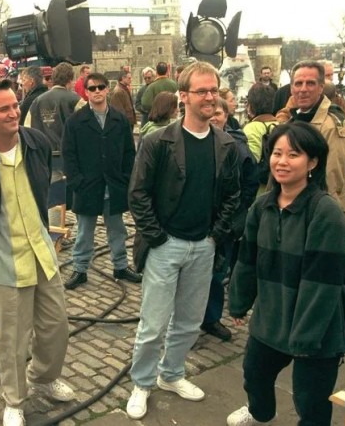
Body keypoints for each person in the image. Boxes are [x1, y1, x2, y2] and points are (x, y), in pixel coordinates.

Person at [0, 78, 74, 426]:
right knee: (13, 340)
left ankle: (44, 378)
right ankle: (14, 400)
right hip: (5, 263)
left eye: (15, 105)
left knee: (56, 326)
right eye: (4, 108)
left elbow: (42, 187)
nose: (13, 113)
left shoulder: (36, 143)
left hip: (42, 254)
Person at [125, 61, 241, 420]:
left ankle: (172, 373)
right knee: (153, 325)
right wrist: (157, 237)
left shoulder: (225, 144)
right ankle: (142, 382)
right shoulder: (157, 141)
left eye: (213, 90)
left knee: (189, 322)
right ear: (184, 96)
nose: (209, 97)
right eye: (201, 91)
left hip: (203, 246)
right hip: (166, 246)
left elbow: (233, 196)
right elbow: (138, 193)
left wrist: (215, 236)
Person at [227, 121, 345, 426]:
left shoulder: (324, 212)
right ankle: (260, 412)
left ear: (313, 162)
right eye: (277, 153)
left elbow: (321, 284)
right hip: (272, 315)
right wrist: (239, 302)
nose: (282, 162)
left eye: (293, 154)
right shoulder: (262, 207)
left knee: (311, 400)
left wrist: (304, 339)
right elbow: (247, 261)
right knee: (255, 373)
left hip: (317, 325)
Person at [62, 72, 142, 290]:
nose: (97, 91)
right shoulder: (75, 122)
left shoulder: (120, 120)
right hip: (87, 186)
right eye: (92, 88)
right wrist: (77, 182)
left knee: (117, 229)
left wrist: (125, 178)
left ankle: (121, 266)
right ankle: (80, 269)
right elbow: (68, 155)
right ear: (86, 92)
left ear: (107, 89)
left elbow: (129, 152)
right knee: (84, 231)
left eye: (100, 87)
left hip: (114, 185)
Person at [201, 97, 258, 342]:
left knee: (217, 273)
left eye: (219, 113)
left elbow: (250, 183)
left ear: (226, 116)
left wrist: (236, 214)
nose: (214, 116)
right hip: (197, 221)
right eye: (210, 112)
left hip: (224, 224)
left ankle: (211, 318)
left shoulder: (238, 147)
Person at [284, 61, 345, 229]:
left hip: (319, 214)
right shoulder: (293, 120)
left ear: (321, 87)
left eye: (310, 83)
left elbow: (332, 178)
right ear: (291, 88)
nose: (303, 89)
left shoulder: (331, 125)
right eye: (298, 83)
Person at [26, 62, 80, 154]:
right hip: (68, 154)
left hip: (43, 155)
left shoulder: (37, 101)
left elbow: (27, 128)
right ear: (70, 80)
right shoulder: (76, 100)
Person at [242, 83, 278, 191]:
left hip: (259, 189)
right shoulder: (281, 125)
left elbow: (251, 163)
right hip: (276, 185)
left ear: (250, 105)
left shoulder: (251, 128)